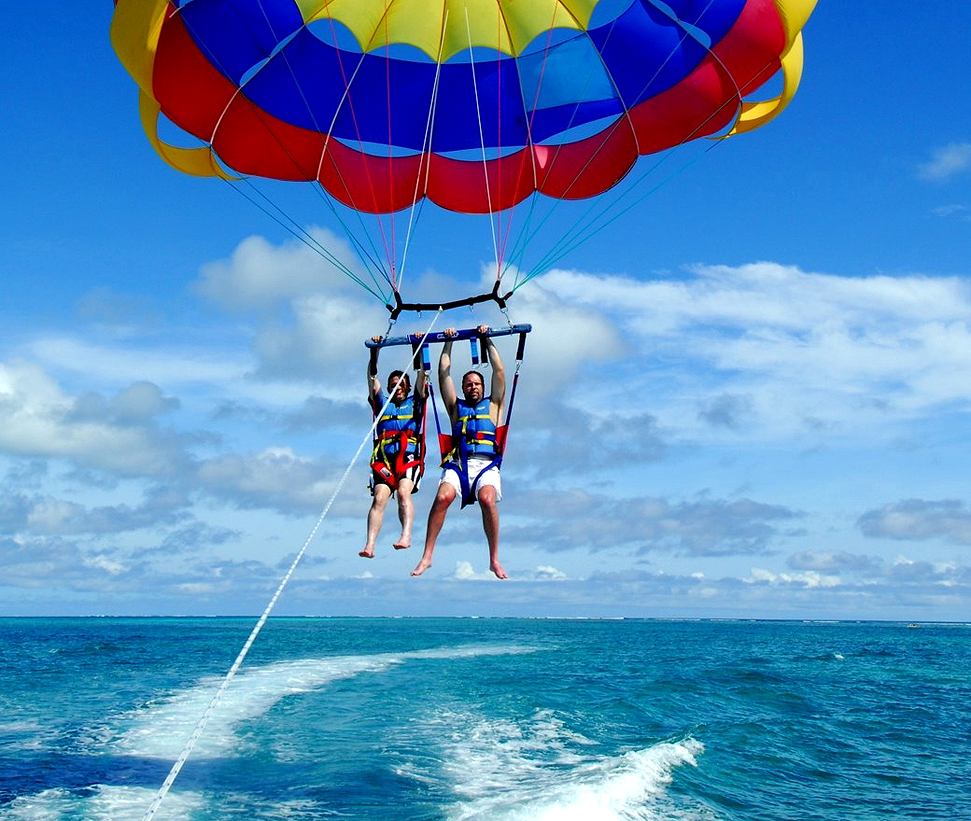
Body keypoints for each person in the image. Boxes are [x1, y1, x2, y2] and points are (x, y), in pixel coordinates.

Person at [412, 325, 507, 579]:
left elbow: (499, 370)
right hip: (459, 463)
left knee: (488, 500)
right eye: (468, 384)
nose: (473, 387)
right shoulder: (456, 407)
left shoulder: (494, 405)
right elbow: (444, 375)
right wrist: (448, 341)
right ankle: (427, 556)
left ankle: (494, 559)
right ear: (464, 388)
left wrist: (487, 339)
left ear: (482, 386)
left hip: (486, 465)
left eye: (477, 384)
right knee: (443, 497)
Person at [359, 338, 428, 559]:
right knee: (379, 498)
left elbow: (421, 374)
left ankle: (406, 535)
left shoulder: (415, 401)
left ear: (407, 387)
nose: (398, 386)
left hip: (408, 456)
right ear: (389, 387)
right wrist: (374, 352)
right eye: (394, 383)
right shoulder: (381, 403)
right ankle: (370, 545)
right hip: (384, 459)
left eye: (402, 383)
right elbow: (371, 378)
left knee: (403, 492)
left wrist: (416, 346)